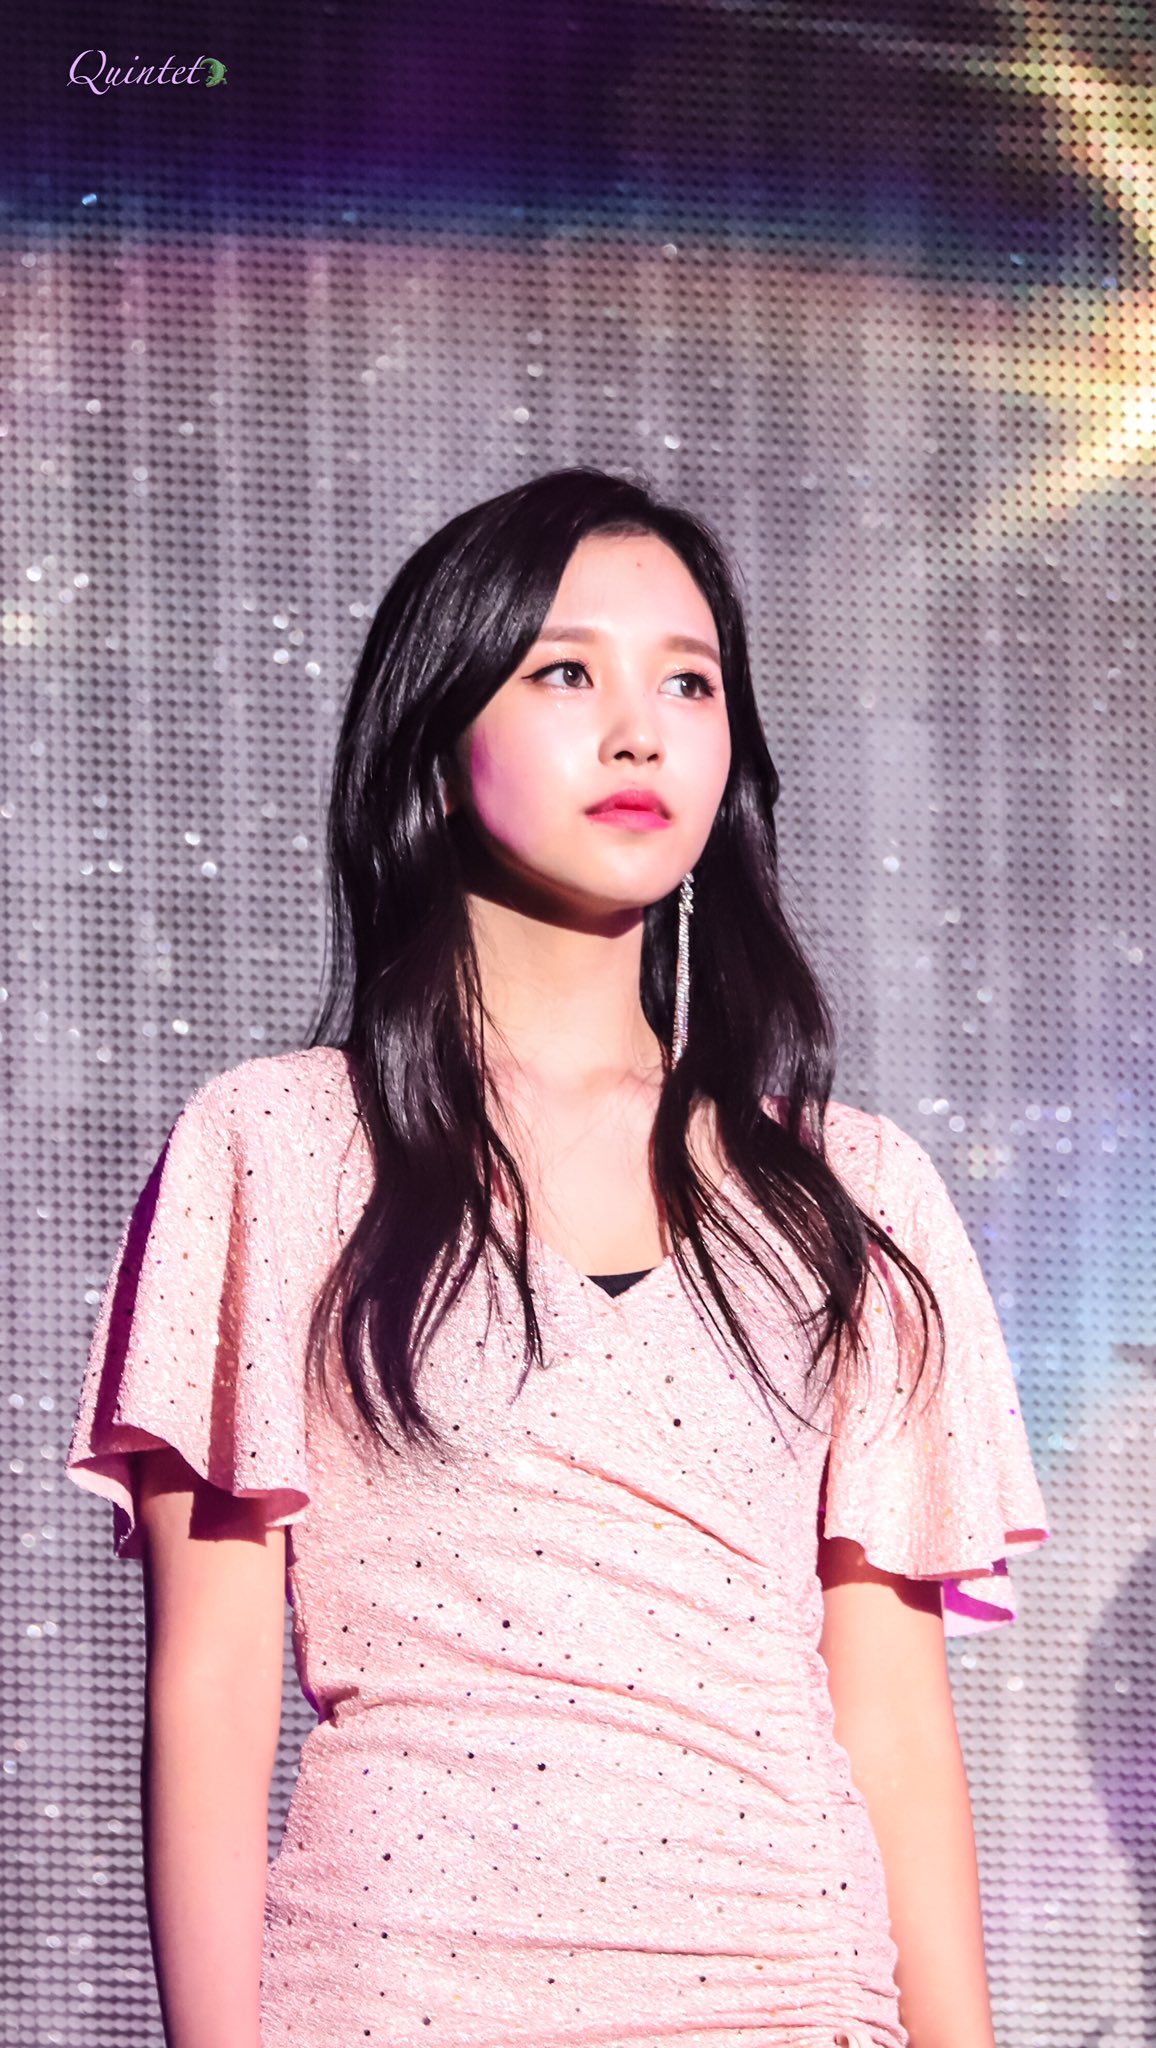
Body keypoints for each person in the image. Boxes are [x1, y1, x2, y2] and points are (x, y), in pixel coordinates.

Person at [66, 466, 1051, 2048]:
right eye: (567, 673)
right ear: (440, 732)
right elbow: (212, 1686)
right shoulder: (277, 1148)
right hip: (400, 1998)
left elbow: (894, 1724)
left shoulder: (854, 1194)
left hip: (788, 1994)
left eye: (690, 683)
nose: (642, 730)